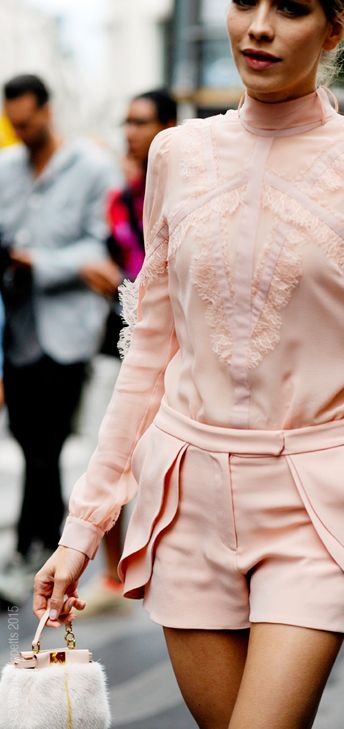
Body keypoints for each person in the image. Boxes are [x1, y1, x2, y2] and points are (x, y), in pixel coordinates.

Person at [34, 1, 344, 726]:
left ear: (333, 29)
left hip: (316, 505)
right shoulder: (175, 154)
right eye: (244, 2)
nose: (259, 26)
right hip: (186, 501)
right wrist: (82, 529)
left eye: (292, 8)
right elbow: (148, 356)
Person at [0, 74, 117, 605]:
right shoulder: (6, 168)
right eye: (13, 125)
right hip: (20, 331)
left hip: (68, 330)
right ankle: (35, 543)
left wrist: (37, 260)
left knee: (46, 444)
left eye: (28, 122)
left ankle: (39, 545)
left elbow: (101, 249)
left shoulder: (92, 168)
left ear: (47, 111)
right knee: (28, 441)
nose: (22, 133)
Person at [82, 88, 178, 616]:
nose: (131, 131)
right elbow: (122, 262)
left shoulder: (188, 186)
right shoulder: (121, 198)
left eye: (141, 121)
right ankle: (113, 574)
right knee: (110, 447)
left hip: (180, 347)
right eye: (127, 121)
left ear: (167, 125)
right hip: (125, 341)